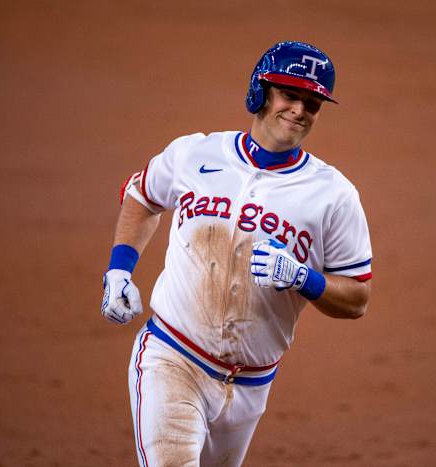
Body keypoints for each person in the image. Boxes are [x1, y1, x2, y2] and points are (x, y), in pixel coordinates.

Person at [100, 41, 373, 467]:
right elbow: (141, 196)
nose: (300, 110)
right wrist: (119, 270)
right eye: (290, 95)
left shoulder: (333, 195)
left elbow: (357, 298)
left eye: (312, 103)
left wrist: (306, 279)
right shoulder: (196, 154)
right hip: (173, 357)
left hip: (250, 387)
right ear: (260, 93)